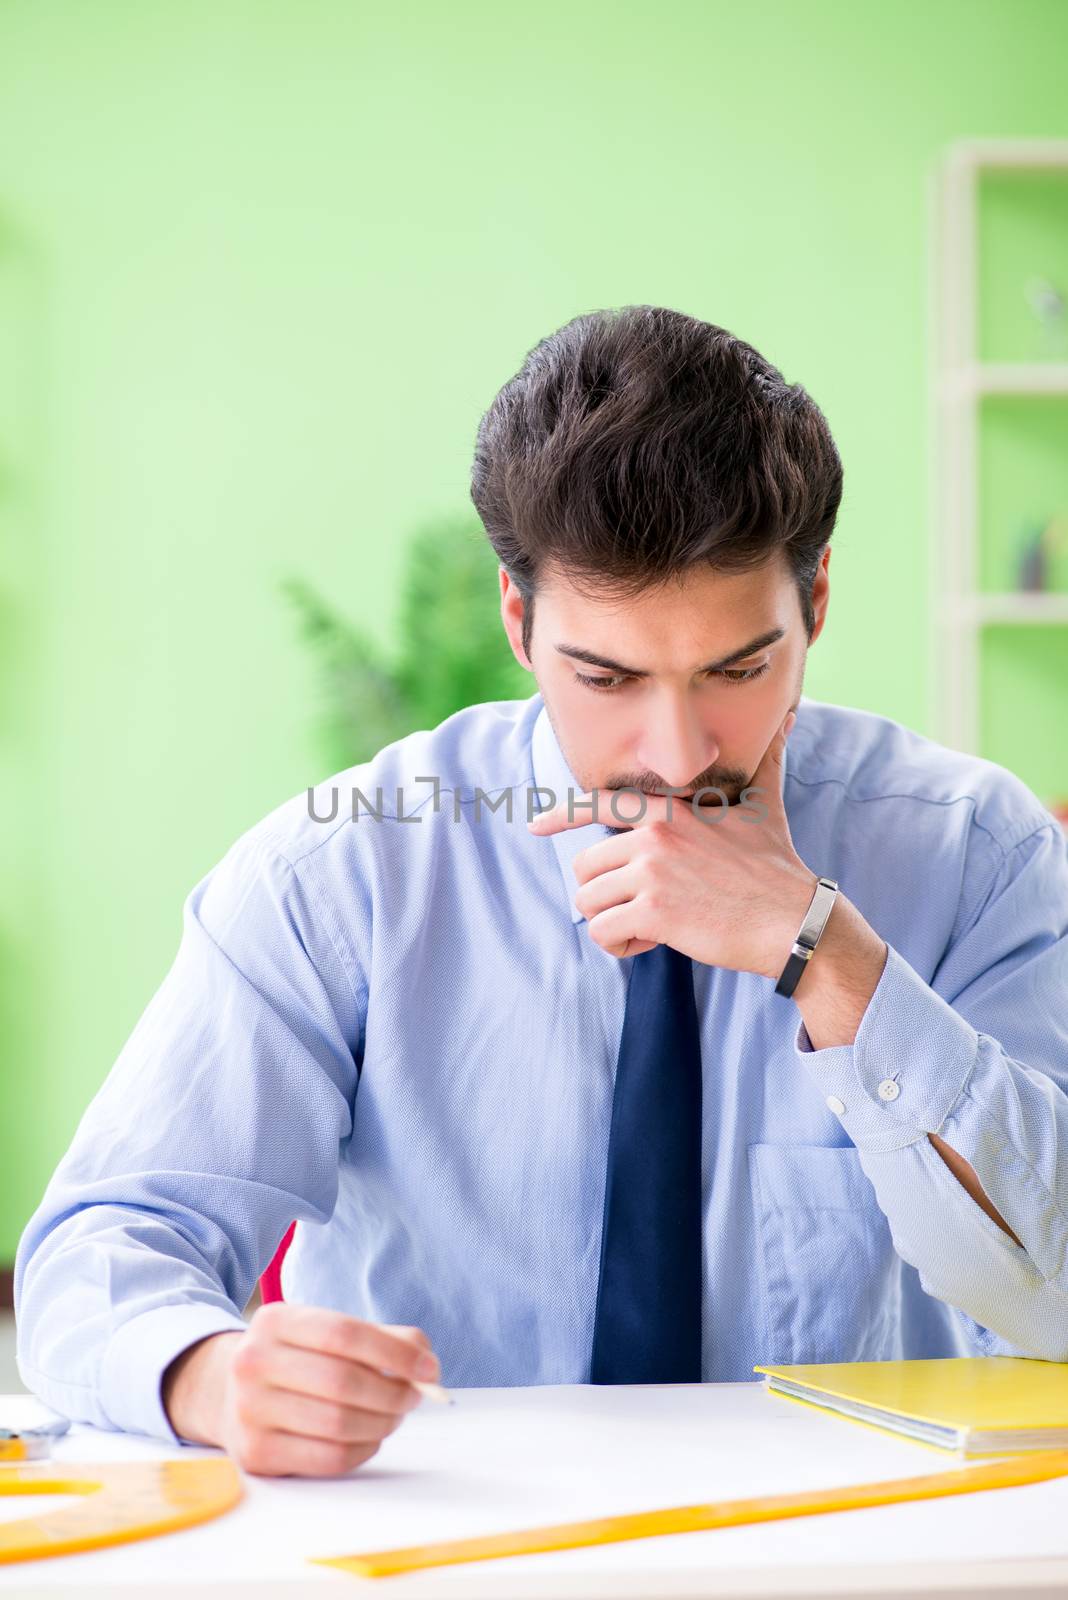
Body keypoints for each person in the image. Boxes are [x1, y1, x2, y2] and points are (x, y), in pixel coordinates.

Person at [15, 305, 1068, 1481]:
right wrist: (207, 1375)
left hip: (857, 1546)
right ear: (520, 621)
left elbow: (1058, 1296)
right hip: (449, 1548)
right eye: (607, 676)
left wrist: (826, 952)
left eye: (738, 668)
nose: (675, 752)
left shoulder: (977, 853)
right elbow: (100, 1248)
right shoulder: (348, 874)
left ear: (815, 600)